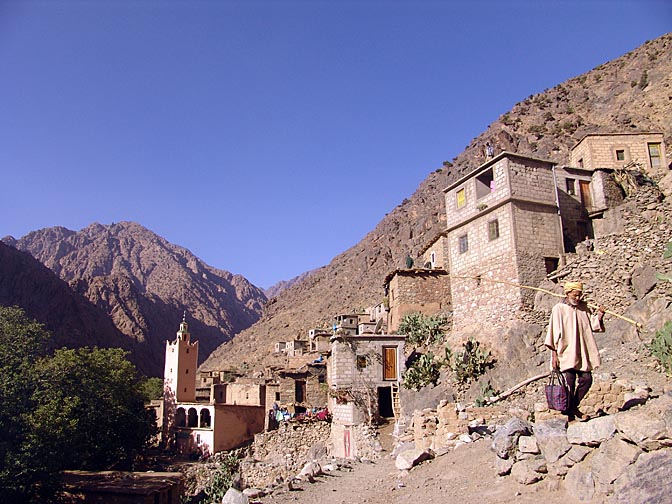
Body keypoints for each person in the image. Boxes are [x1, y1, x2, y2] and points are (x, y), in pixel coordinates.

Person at [544, 281, 604, 421]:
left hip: (582, 353)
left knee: (587, 379)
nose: (577, 298)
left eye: (579, 295)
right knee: (569, 383)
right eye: (575, 295)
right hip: (566, 353)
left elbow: (593, 325)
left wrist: (600, 315)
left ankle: (572, 408)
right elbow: (553, 333)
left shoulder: (584, 308)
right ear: (568, 293)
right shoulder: (559, 309)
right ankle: (572, 414)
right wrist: (554, 356)